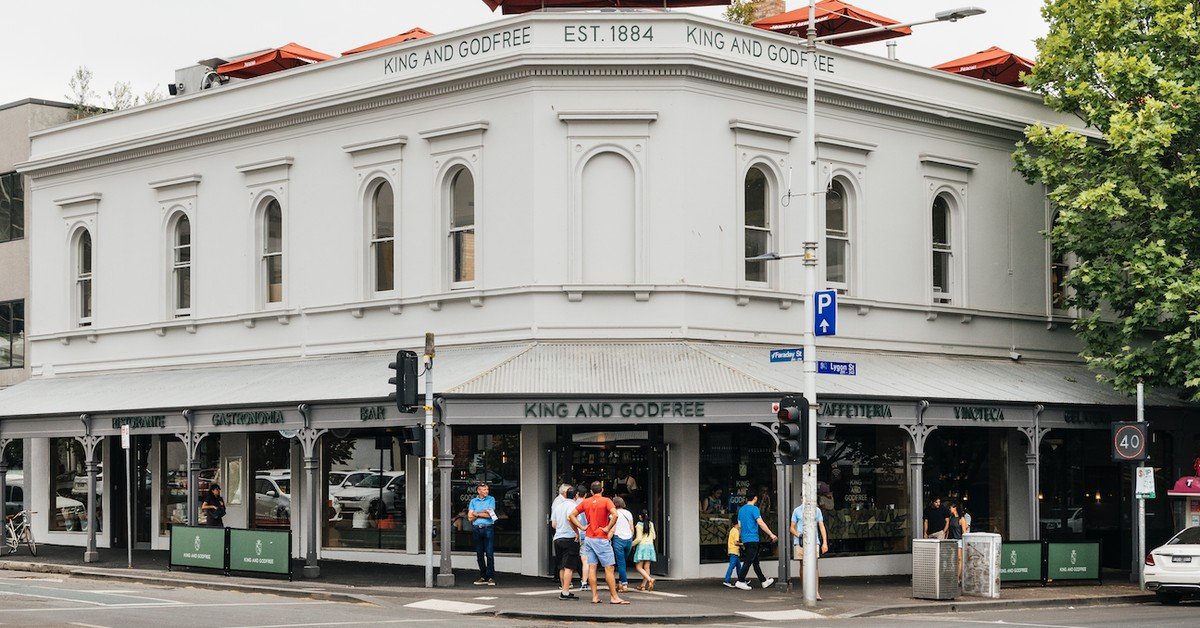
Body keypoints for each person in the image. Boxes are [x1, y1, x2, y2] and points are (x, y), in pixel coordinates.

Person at [569, 481, 629, 604]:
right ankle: (614, 597)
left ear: (591, 491)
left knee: (592, 567)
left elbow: (571, 516)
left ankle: (595, 596)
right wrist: (607, 528)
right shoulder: (606, 501)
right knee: (609, 567)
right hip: (601, 537)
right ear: (602, 490)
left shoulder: (586, 502)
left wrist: (582, 527)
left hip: (589, 537)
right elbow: (615, 514)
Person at [734, 493, 777, 590]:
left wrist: (741, 537)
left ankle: (763, 581)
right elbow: (760, 523)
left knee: (755, 561)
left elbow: (740, 526)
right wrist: (771, 534)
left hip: (745, 539)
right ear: (755, 498)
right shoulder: (754, 509)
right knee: (748, 561)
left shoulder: (741, 510)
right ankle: (740, 580)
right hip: (753, 538)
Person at [790, 500, 829, 601]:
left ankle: (816, 592)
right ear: (802, 498)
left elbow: (821, 526)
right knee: (802, 565)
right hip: (800, 542)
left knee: (814, 565)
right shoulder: (797, 511)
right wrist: (799, 535)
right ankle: (806, 590)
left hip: (814, 541)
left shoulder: (817, 510)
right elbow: (792, 528)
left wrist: (824, 542)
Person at [551, 485, 582, 600]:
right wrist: (577, 531)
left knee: (561, 566)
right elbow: (571, 519)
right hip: (570, 538)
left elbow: (553, 524)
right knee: (569, 566)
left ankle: (564, 587)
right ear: (576, 495)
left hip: (558, 537)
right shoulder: (573, 506)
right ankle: (565, 592)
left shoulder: (558, 506)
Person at [468, 482, 497, 585]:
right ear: (478, 491)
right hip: (476, 529)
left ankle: (491, 577)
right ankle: (483, 576)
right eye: (484, 490)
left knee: (489, 553)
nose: (486, 491)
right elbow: (470, 517)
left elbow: (490, 515)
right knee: (479, 554)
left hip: (488, 528)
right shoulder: (473, 501)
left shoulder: (491, 499)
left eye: (487, 490)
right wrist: (482, 513)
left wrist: (476, 513)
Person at [610, 496, 635, 592]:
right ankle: (620, 583)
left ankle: (624, 584)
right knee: (623, 562)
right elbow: (631, 528)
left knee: (621, 563)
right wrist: (631, 537)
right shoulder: (628, 513)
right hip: (628, 539)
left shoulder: (613, 514)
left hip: (618, 539)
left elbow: (613, 528)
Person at [632, 510, 657, 590]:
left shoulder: (639, 525)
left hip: (642, 546)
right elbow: (654, 537)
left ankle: (650, 579)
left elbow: (639, 538)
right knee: (647, 567)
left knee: (639, 567)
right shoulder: (651, 524)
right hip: (650, 546)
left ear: (640, 516)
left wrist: (631, 544)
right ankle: (643, 585)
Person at [722, 514, 742, 588]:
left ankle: (741, 579)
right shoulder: (736, 531)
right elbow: (736, 542)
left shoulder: (732, 530)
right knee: (732, 566)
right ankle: (727, 580)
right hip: (734, 551)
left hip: (732, 550)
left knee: (738, 566)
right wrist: (742, 544)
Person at [948, 502, 967, 578]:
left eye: (951, 507)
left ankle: (958, 577)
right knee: (952, 559)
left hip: (959, 540)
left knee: (959, 559)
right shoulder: (951, 518)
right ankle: (954, 575)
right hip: (952, 540)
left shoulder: (961, 519)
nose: (950, 509)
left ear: (955, 508)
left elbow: (964, 531)